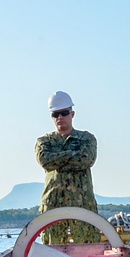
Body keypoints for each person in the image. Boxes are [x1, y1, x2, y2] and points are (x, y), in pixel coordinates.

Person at [35, 91, 101, 245]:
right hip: (53, 204)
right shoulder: (44, 141)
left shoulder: (86, 138)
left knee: (89, 249)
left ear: (72, 114)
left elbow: (86, 159)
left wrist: (57, 158)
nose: (60, 117)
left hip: (82, 204)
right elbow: (45, 161)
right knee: (53, 251)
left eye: (64, 113)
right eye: (55, 114)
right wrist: (73, 154)